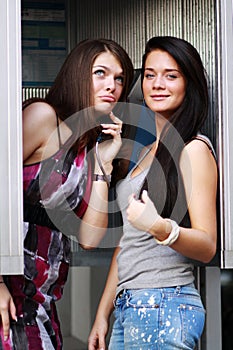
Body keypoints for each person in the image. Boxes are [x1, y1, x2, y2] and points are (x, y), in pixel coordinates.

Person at [0, 38, 134, 349]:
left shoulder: (89, 147)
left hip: (40, 301)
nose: (111, 85)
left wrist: (104, 163)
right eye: (100, 73)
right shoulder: (44, 117)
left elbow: (89, 237)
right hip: (8, 295)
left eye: (119, 79)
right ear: (77, 75)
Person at [88, 36, 218, 350]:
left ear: (190, 84)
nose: (157, 84)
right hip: (131, 304)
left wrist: (160, 227)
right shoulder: (147, 152)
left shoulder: (193, 150)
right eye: (150, 75)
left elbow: (207, 245)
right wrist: (103, 313)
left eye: (171, 75)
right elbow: (128, 242)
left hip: (164, 303)